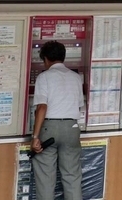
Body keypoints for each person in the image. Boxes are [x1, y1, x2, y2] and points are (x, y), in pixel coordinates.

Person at [31, 41, 84, 200]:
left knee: (45, 178)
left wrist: (35, 137)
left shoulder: (44, 76)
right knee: (72, 177)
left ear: (46, 59)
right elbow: (79, 105)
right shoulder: (75, 78)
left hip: (49, 129)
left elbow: (42, 107)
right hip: (72, 128)